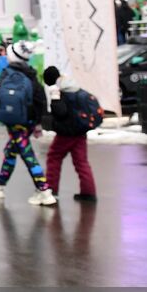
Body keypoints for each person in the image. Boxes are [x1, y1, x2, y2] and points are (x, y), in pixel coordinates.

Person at [0, 40, 52, 203]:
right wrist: (37, 122)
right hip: (27, 120)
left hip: (14, 121)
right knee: (11, 151)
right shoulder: (31, 75)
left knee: (27, 155)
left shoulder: (8, 74)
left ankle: (43, 189)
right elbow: (40, 99)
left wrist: (0, 114)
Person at [42, 66, 99, 199]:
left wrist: (55, 98)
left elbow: (61, 112)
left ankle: (51, 190)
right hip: (80, 131)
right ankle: (88, 192)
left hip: (66, 133)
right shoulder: (72, 83)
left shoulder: (59, 90)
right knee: (81, 162)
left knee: (53, 157)